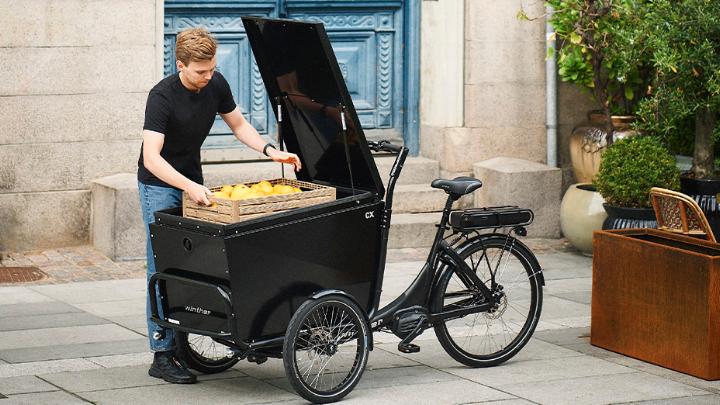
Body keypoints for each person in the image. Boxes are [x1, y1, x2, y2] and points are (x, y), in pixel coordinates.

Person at [137, 27, 301, 384]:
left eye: (212, 69)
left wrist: (271, 151)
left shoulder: (216, 83)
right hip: (159, 187)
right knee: (162, 266)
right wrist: (187, 186)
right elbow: (151, 158)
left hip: (193, 183)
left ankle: (187, 342)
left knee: (196, 264)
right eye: (201, 71)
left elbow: (239, 125)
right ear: (180, 65)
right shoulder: (161, 97)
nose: (208, 76)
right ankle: (162, 354)